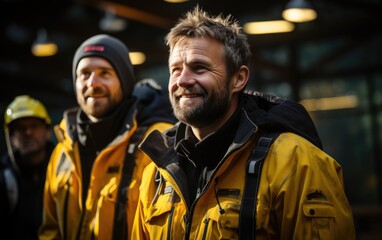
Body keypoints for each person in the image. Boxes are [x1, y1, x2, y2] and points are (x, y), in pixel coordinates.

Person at [131, 6, 356, 240]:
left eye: (200, 68)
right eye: (175, 70)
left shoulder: (297, 163)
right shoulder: (157, 174)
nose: (183, 80)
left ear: (238, 79)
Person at [38, 34, 175, 240]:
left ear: (125, 82)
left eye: (105, 73)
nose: (93, 82)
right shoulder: (62, 152)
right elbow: (50, 230)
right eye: (84, 73)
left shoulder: (156, 144)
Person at [0, 95, 54, 240]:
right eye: (21, 128)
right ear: (11, 137)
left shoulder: (66, 170)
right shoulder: (4, 178)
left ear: (47, 131)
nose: (28, 133)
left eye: (34, 126)